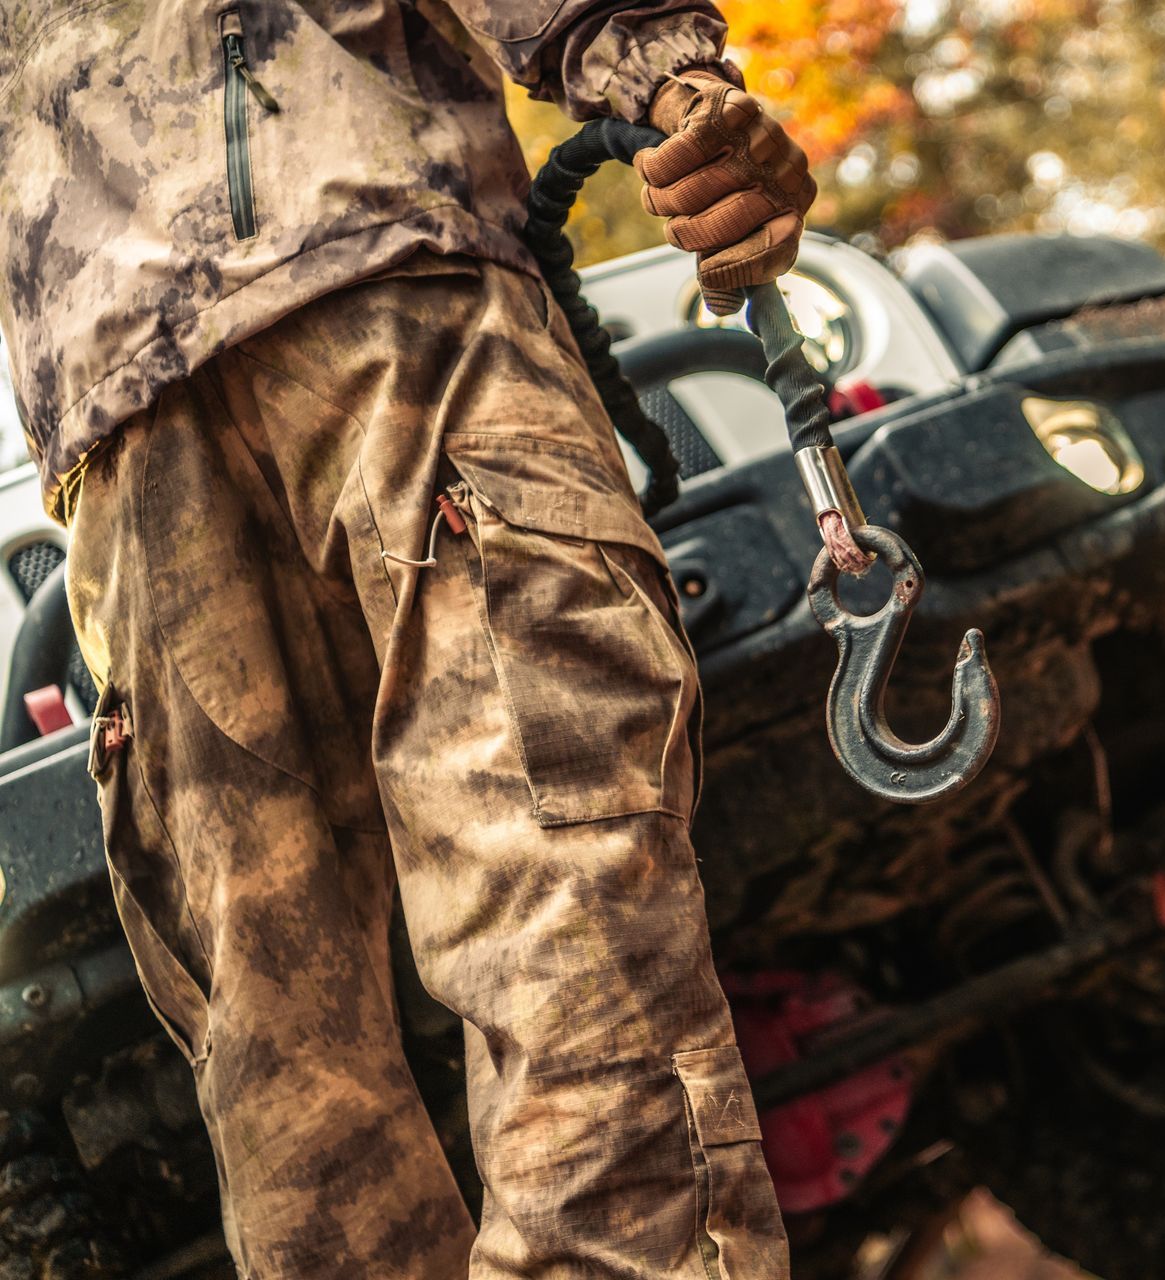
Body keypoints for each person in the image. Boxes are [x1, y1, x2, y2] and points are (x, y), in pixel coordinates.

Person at [0, 0, 815, 1273]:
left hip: (388, 300)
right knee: (299, 1078)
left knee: (558, 938)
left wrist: (663, 75)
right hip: (140, 428)